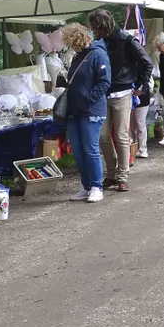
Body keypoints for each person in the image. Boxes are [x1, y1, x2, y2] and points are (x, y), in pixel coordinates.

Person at [89, 9, 153, 192]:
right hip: (103, 94)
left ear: (102, 25)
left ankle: (122, 176)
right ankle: (111, 173)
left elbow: (146, 63)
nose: (93, 30)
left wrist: (140, 87)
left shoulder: (126, 40)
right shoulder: (99, 42)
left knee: (121, 135)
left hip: (123, 93)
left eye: (95, 27)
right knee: (102, 136)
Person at [63, 23, 111, 204]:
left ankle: (96, 186)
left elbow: (104, 82)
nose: (70, 46)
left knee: (90, 149)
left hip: (91, 110)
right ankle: (86, 185)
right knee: (77, 149)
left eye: (71, 42)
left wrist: (88, 100)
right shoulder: (79, 56)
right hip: (75, 111)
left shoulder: (98, 55)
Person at [132, 74, 155, 159]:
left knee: (140, 124)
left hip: (142, 98)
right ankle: (133, 149)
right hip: (130, 97)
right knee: (132, 126)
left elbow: (147, 81)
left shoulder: (143, 68)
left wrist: (140, 90)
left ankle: (142, 149)